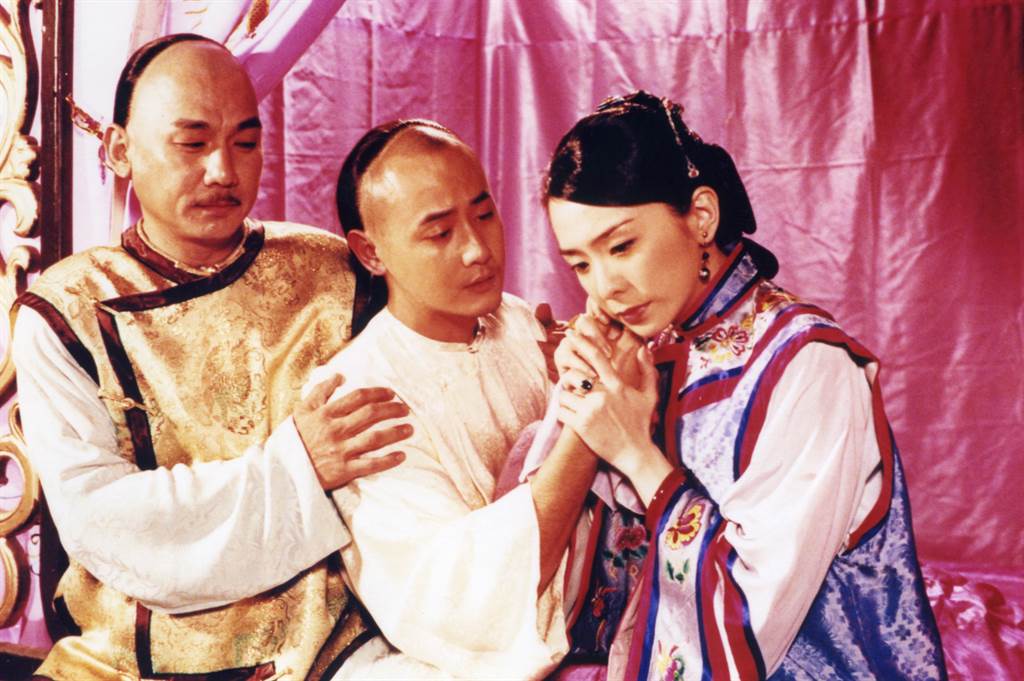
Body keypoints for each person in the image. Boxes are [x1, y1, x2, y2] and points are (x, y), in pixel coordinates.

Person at [12, 34, 412, 680]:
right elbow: (105, 521)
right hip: (127, 658)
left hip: (337, 646)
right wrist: (300, 466)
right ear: (120, 150)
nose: (223, 171)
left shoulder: (335, 271)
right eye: (192, 144)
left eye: (245, 143)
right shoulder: (67, 313)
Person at [542, 91, 947, 680]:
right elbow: (578, 569)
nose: (605, 287)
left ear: (701, 216)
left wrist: (634, 452)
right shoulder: (652, 348)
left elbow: (748, 620)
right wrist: (584, 389)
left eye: (622, 246)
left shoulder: (807, 365)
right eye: (581, 264)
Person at [311, 119, 597, 679]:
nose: (477, 250)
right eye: (440, 233)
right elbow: (457, 600)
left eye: (484, 214)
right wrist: (587, 419)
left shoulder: (519, 322)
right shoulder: (358, 398)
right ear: (371, 252)